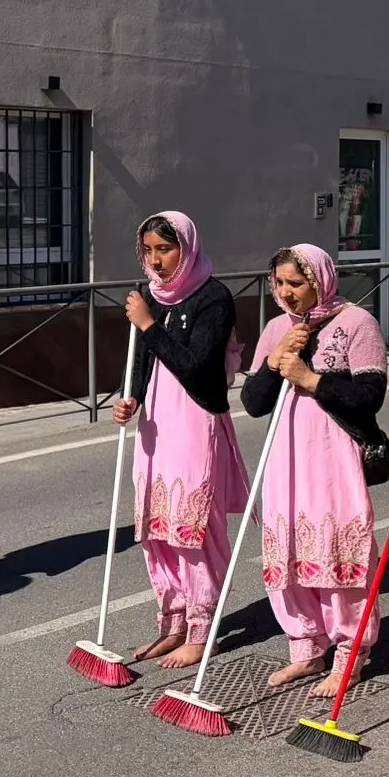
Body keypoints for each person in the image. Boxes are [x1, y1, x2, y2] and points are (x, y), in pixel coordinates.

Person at [240, 245, 386, 691]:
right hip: (286, 452)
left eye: (296, 284)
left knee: (337, 546)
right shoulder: (276, 328)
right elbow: (253, 402)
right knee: (289, 548)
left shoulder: (357, 323)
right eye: (279, 283)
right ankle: (305, 646)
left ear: (320, 280)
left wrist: (310, 379)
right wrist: (274, 359)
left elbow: (369, 396)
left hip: (333, 452)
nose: (286, 293)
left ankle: (349, 648)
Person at [113, 212, 247, 668]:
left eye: (165, 250)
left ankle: (201, 626)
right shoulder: (148, 292)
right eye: (148, 250)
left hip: (193, 416)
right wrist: (129, 397)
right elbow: (140, 357)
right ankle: (171, 621)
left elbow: (196, 367)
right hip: (155, 420)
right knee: (157, 528)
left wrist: (149, 323)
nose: (155, 260)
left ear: (186, 248)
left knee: (192, 527)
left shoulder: (213, 296)